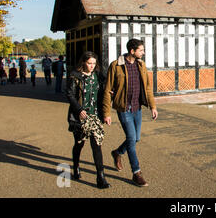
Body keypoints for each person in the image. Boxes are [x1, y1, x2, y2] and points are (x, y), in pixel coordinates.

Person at [102, 38, 158, 187]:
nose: (143, 52)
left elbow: (147, 87)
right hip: (124, 109)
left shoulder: (141, 65)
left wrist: (153, 106)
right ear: (132, 51)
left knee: (137, 138)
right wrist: (106, 112)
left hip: (137, 108)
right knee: (132, 140)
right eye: (141, 50)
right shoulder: (116, 65)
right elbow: (108, 90)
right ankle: (136, 173)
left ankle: (118, 152)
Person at [66, 51, 110, 189]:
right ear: (83, 63)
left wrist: (109, 93)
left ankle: (100, 177)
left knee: (97, 144)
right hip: (80, 116)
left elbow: (106, 87)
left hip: (95, 115)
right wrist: (79, 109)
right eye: (89, 63)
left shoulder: (98, 75)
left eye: (94, 63)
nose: (92, 66)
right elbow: (69, 94)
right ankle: (76, 166)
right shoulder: (75, 76)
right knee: (79, 144)